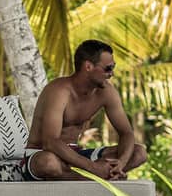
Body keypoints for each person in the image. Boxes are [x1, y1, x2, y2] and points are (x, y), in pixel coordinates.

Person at [21, 39, 148, 181]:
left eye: (113, 67)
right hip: (42, 153)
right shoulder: (59, 91)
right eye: (107, 68)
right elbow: (50, 142)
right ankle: (94, 176)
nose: (111, 73)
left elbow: (126, 133)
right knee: (48, 163)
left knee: (139, 152)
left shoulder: (106, 92)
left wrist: (121, 163)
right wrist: (93, 168)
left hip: (76, 155)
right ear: (88, 66)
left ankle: (92, 174)